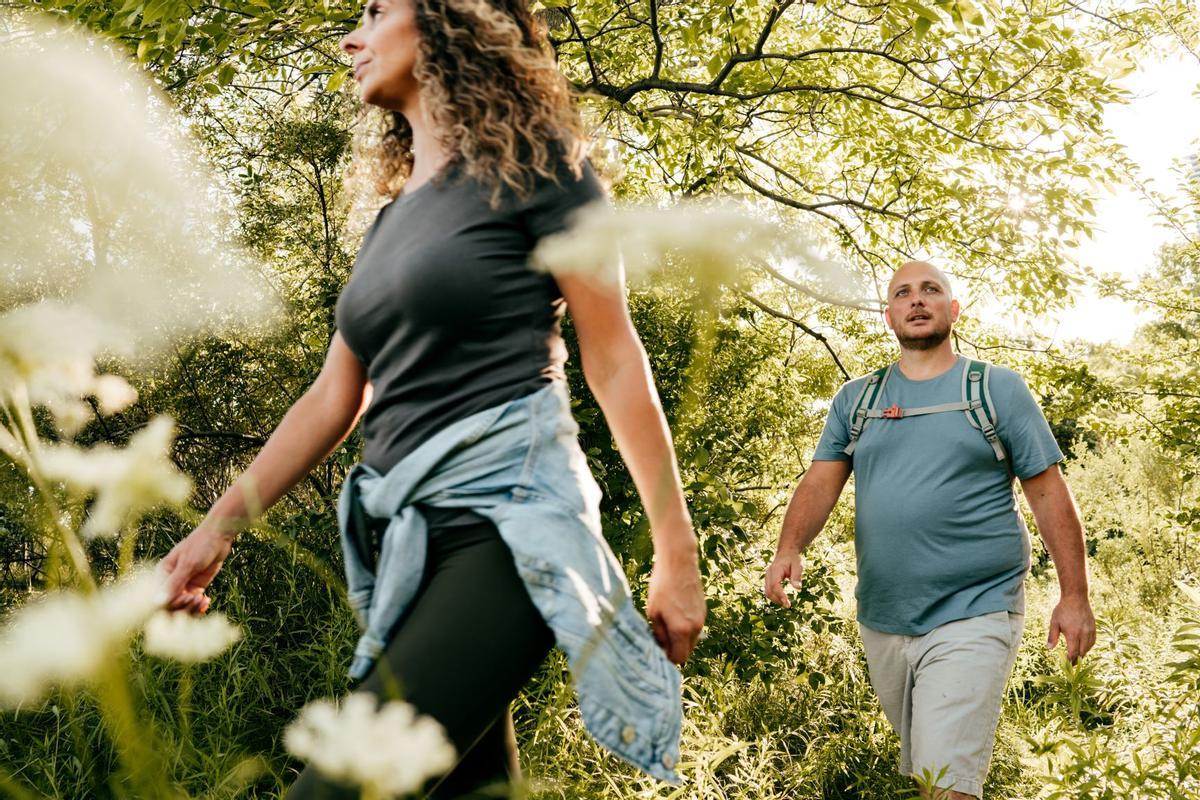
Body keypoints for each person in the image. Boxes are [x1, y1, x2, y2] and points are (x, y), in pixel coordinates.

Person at [157, 1, 706, 797]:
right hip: (409, 549)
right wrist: (215, 531)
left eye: (379, 10)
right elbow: (332, 398)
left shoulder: (544, 171)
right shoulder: (389, 224)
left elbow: (614, 359)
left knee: (339, 786)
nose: (353, 35)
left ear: (454, 21)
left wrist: (676, 553)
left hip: (507, 531)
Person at [764, 260, 1096, 799]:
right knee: (930, 774)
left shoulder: (996, 389)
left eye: (931, 290)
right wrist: (789, 546)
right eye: (903, 293)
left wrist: (1074, 595)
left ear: (953, 309)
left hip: (976, 608)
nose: (917, 300)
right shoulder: (858, 399)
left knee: (947, 782)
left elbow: (1048, 492)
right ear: (890, 316)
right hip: (884, 616)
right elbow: (821, 481)